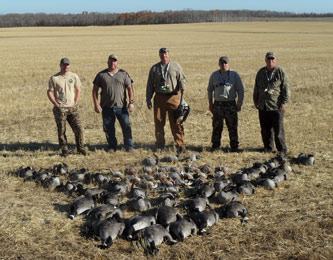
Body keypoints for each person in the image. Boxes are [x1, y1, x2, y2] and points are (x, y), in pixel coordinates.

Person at [146, 47, 187, 153]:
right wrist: (148, 99)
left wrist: (183, 87)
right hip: (159, 97)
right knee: (159, 122)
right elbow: (150, 85)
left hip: (173, 97)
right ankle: (159, 145)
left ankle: (180, 145)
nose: (164, 56)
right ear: (159, 55)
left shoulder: (175, 66)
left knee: (177, 122)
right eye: (162, 54)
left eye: (166, 54)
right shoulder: (154, 68)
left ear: (169, 54)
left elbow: (182, 78)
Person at [92, 54, 134, 153]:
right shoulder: (101, 75)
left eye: (114, 61)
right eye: (111, 61)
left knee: (126, 126)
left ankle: (129, 146)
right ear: (108, 62)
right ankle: (112, 146)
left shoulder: (123, 74)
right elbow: (95, 90)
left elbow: (130, 89)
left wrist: (131, 102)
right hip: (107, 107)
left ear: (117, 62)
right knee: (109, 128)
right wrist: (96, 104)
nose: (112, 63)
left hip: (122, 107)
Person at [253, 52, 290, 158]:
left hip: (276, 106)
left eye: (272, 59)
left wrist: (284, 102)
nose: (270, 61)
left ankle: (282, 149)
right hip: (263, 105)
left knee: (278, 129)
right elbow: (256, 87)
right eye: (268, 59)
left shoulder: (280, 72)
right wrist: (255, 100)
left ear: (275, 60)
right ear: (265, 60)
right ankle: (268, 147)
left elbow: (286, 88)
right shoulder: (261, 72)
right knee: (265, 128)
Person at [47, 57, 86, 157]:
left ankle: (80, 148)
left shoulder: (73, 76)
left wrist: (76, 101)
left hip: (72, 107)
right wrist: (56, 104)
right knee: (61, 130)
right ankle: (64, 149)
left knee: (79, 128)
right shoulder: (54, 78)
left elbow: (78, 89)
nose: (66, 66)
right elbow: (49, 92)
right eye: (64, 64)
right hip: (60, 108)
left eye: (67, 64)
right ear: (60, 65)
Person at [207, 56, 244, 152]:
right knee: (216, 126)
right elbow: (210, 90)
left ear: (229, 63)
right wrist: (210, 104)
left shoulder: (234, 75)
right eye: (222, 63)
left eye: (225, 63)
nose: (224, 65)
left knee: (232, 127)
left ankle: (234, 147)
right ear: (219, 64)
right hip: (218, 105)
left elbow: (241, 90)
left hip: (231, 104)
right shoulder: (214, 75)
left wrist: (239, 103)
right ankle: (215, 146)